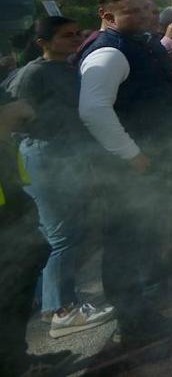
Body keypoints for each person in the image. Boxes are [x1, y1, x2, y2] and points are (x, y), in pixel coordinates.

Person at [77, 0, 172, 345]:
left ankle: (151, 295)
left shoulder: (146, 43)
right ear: (107, 17)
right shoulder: (108, 53)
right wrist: (131, 154)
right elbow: (93, 110)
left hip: (153, 157)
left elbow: (161, 93)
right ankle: (132, 321)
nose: (147, 16)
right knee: (124, 241)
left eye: (148, 8)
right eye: (134, 11)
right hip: (127, 167)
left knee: (148, 231)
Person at [13, 17, 115, 339]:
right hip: (46, 159)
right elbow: (12, 113)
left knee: (59, 234)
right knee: (62, 237)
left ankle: (50, 302)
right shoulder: (32, 73)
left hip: (67, 157)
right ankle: (63, 311)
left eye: (77, 34)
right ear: (43, 42)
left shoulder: (68, 68)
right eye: (66, 35)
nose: (75, 39)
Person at [0, 98, 71, 376]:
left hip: (12, 210)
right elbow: (21, 111)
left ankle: (17, 361)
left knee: (15, 293)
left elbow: (22, 111)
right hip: (5, 219)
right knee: (8, 296)